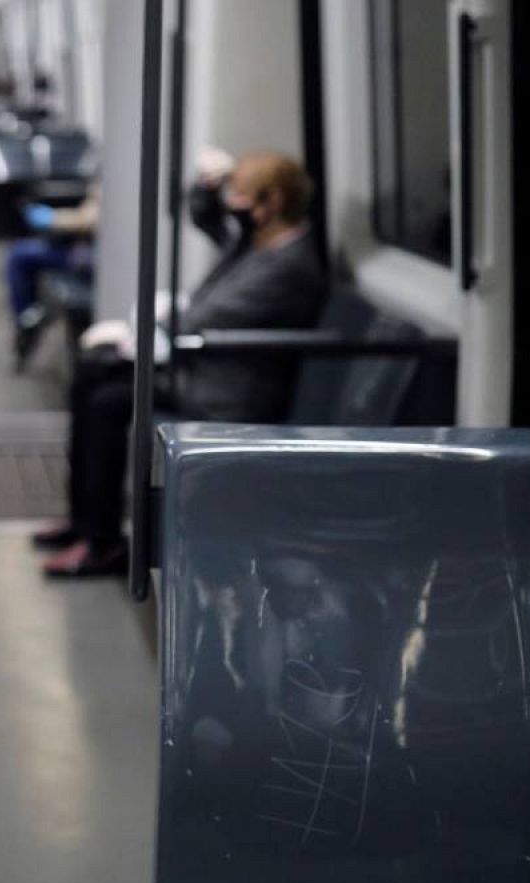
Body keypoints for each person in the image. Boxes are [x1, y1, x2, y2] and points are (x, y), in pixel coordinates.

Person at [37, 149, 325, 577]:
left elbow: (200, 320)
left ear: (272, 204)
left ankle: (101, 542)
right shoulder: (258, 243)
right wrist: (206, 188)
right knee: (93, 371)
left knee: (106, 400)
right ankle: (84, 521)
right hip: (205, 369)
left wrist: (141, 326)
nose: (233, 205)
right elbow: (207, 218)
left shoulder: (288, 266)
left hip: (227, 388)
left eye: (241, 196)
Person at [6, 196, 99, 370]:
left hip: (90, 255)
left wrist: (53, 218)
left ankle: (27, 319)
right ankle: (28, 317)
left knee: (20, 256)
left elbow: (89, 219)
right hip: (84, 246)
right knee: (21, 254)